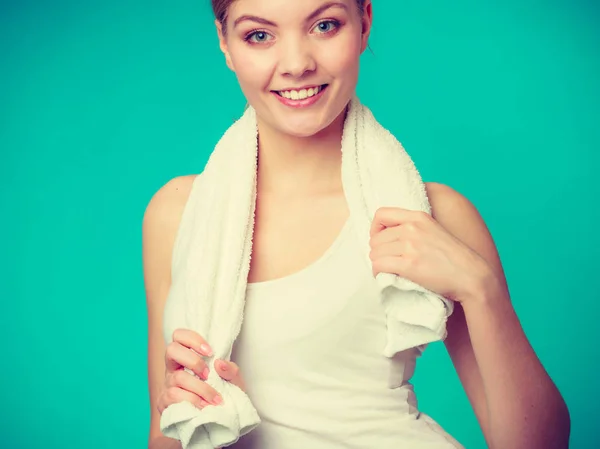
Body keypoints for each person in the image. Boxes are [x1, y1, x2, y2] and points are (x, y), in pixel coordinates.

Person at [143, 1, 571, 448]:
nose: (296, 65)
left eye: (324, 25)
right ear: (224, 43)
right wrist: (208, 415)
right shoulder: (177, 214)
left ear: (364, 23)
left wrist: (481, 289)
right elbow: (165, 435)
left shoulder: (431, 214)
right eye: (259, 35)